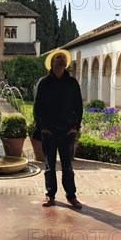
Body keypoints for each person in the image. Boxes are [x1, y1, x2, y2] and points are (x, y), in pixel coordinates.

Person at [33, 48, 83, 208]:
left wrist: (75, 127)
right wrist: (42, 128)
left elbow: (78, 106)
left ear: (65, 62)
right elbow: (37, 107)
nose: (60, 59)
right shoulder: (44, 83)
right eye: (57, 57)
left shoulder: (72, 83)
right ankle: (50, 195)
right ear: (52, 63)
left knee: (67, 167)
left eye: (62, 57)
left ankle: (71, 196)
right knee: (50, 166)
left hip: (67, 131)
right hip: (49, 132)